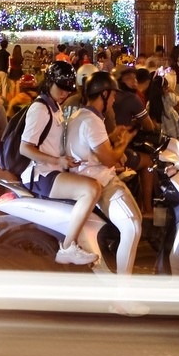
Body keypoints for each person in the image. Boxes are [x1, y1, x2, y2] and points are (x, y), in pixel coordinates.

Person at [16, 61, 101, 266]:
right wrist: (57, 160)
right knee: (91, 189)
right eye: (60, 88)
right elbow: (25, 148)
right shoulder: (40, 109)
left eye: (68, 89)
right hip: (41, 175)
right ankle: (68, 247)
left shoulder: (54, 107)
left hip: (53, 170)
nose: (64, 93)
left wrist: (67, 160)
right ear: (49, 82)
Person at [63, 70, 141, 274]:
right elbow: (109, 159)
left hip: (85, 177)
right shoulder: (92, 120)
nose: (114, 100)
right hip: (99, 181)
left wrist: (113, 137)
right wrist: (124, 142)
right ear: (104, 94)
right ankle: (123, 287)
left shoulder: (80, 115)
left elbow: (94, 147)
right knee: (132, 226)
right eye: (113, 95)